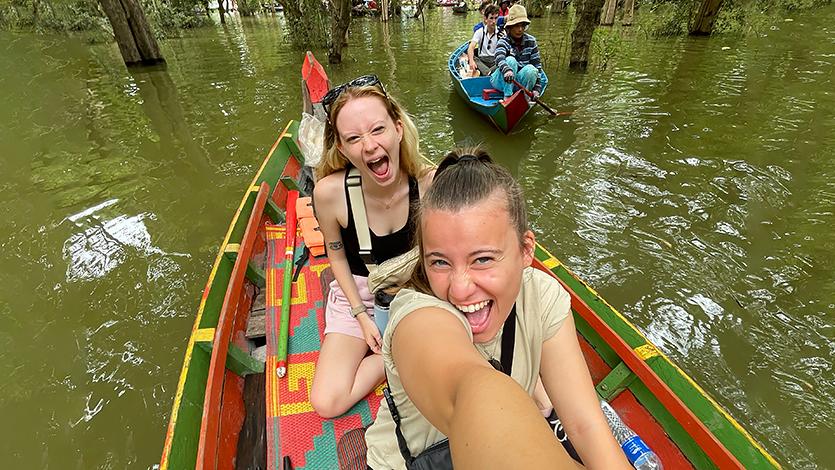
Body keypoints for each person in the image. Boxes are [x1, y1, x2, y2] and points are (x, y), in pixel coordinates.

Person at [364, 149, 632, 469]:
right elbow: (472, 393)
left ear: (525, 250)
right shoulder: (417, 316)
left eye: (483, 259)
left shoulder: (542, 297)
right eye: (440, 262)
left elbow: (585, 424)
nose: (460, 288)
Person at [310, 75, 433, 419]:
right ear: (342, 149)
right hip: (361, 294)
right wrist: (361, 316)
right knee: (326, 401)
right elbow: (336, 256)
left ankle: (398, 348)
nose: (368, 146)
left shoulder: (431, 182)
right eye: (353, 138)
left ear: (397, 128)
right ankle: (390, 356)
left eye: (377, 130)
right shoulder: (329, 194)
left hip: (418, 289)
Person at [492, 4, 543, 100]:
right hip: (501, 81)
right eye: (516, 26)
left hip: (520, 82)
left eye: (522, 26)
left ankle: (525, 98)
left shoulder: (531, 41)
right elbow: (499, 57)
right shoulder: (504, 40)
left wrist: (536, 89)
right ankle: (507, 97)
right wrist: (507, 70)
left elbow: (537, 66)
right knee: (511, 60)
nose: (520, 29)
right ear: (510, 27)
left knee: (532, 69)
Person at [466, 4, 502, 77]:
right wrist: (472, 61)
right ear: (485, 19)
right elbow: (471, 47)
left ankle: (487, 73)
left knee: (506, 60)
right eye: (491, 18)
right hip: (482, 61)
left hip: (495, 61)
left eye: (496, 18)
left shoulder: (501, 33)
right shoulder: (479, 32)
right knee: (472, 57)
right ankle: (490, 73)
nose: (494, 21)